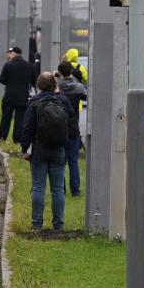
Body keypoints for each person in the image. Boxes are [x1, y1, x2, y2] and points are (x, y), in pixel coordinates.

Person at [20, 72, 71, 231]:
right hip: (59, 149)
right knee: (58, 188)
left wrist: (24, 149)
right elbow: (71, 116)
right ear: (54, 84)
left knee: (38, 186)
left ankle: (37, 224)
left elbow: (27, 128)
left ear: (38, 85)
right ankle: (58, 224)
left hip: (39, 150)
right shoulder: (62, 101)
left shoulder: (34, 102)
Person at [56, 62, 87, 197]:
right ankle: (75, 191)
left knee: (60, 162)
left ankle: (61, 190)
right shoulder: (78, 87)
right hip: (73, 127)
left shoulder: (57, 87)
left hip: (59, 128)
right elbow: (86, 96)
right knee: (73, 161)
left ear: (60, 72)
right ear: (72, 71)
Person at [0, 45, 35, 143]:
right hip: (23, 96)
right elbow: (33, 79)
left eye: (9, 54)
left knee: (6, 118)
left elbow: (3, 80)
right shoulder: (28, 65)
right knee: (20, 119)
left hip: (9, 96)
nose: (9, 56)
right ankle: (17, 139)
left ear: (13, 53)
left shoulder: (8, 65)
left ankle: (2, 137)